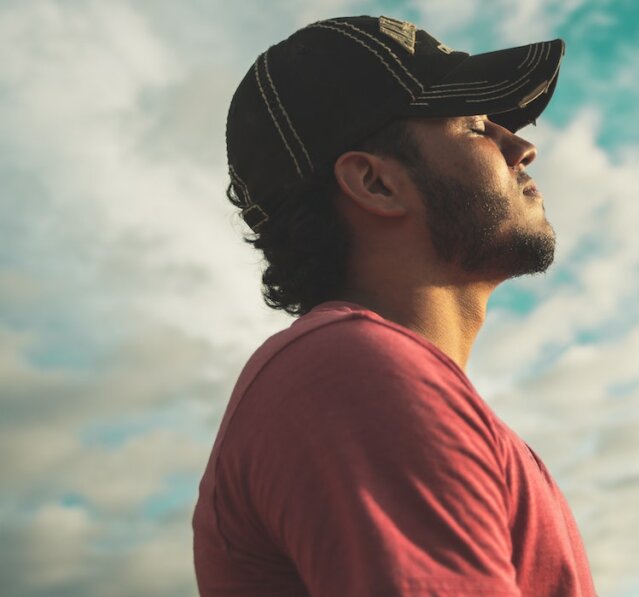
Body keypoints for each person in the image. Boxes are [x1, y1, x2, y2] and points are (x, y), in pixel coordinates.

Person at [191, 15, 597, 596]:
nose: (523, 146)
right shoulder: (352, 372)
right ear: (376, 184)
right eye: (477, 125)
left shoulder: (367, 377)